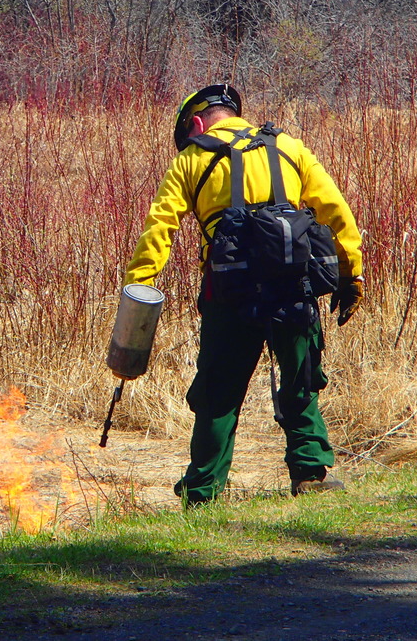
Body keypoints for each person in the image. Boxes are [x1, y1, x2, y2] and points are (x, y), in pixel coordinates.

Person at [124, 84, 364, 504]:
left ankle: (203, 492)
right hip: (294, 286)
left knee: (217, 393)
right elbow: (335, 210)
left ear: (196, 124)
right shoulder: (289, 147)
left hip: (228, 292)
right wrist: (351, 274)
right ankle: (310, 475)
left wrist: (140, 286)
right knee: (302, 380)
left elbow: (159, 228)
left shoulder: (191, 159)